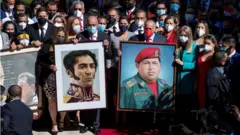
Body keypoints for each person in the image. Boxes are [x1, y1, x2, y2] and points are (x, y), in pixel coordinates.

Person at [62, 50, 100, 134]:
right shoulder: (66, 99)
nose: (89, 71)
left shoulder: (98, 96)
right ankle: (86, 124)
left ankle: (95, 125)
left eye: (92, 66)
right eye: (82, 67)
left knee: (98, 104)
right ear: (69, 73)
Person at [38, 27, 67, 134]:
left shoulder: (68, 45)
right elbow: (40, 61)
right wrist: (49, 66)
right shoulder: (47, 46)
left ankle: (62, 120)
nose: (60, 38)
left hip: (64, 78)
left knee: (64, 100)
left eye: (62, 36)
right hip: (49, 78)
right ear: (54, 35)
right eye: (58, 36)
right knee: (52, 102)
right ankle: (54, 123)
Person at [174, 26, 199, 125]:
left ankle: (185, 125)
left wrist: (183, 64)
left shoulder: (194, 47)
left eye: (185, 35)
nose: (183, 37)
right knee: (178, 104)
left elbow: (195, 65)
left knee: (186, 104)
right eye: (181, 35)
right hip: (176, 81)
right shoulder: (177, 46)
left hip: (187, 80)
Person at [197, 34, 217, 109]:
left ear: (214, 44)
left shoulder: (216, 55)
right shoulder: (201, 53)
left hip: (211, 84)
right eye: (205, 43)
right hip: (201, 82)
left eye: (208, 43)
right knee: (201, 104)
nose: (206, 45)